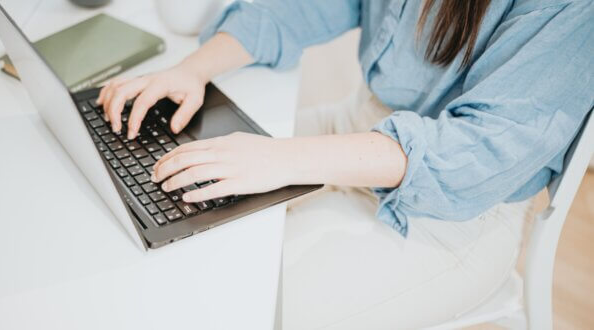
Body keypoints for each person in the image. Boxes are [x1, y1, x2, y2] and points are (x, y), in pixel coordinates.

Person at [97, 0, 593, 327]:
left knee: (234, 305)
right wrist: (193, 69)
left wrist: (283, 160)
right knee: (164, 198)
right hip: (358, 127)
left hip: (453, 215)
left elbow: (482, 153)